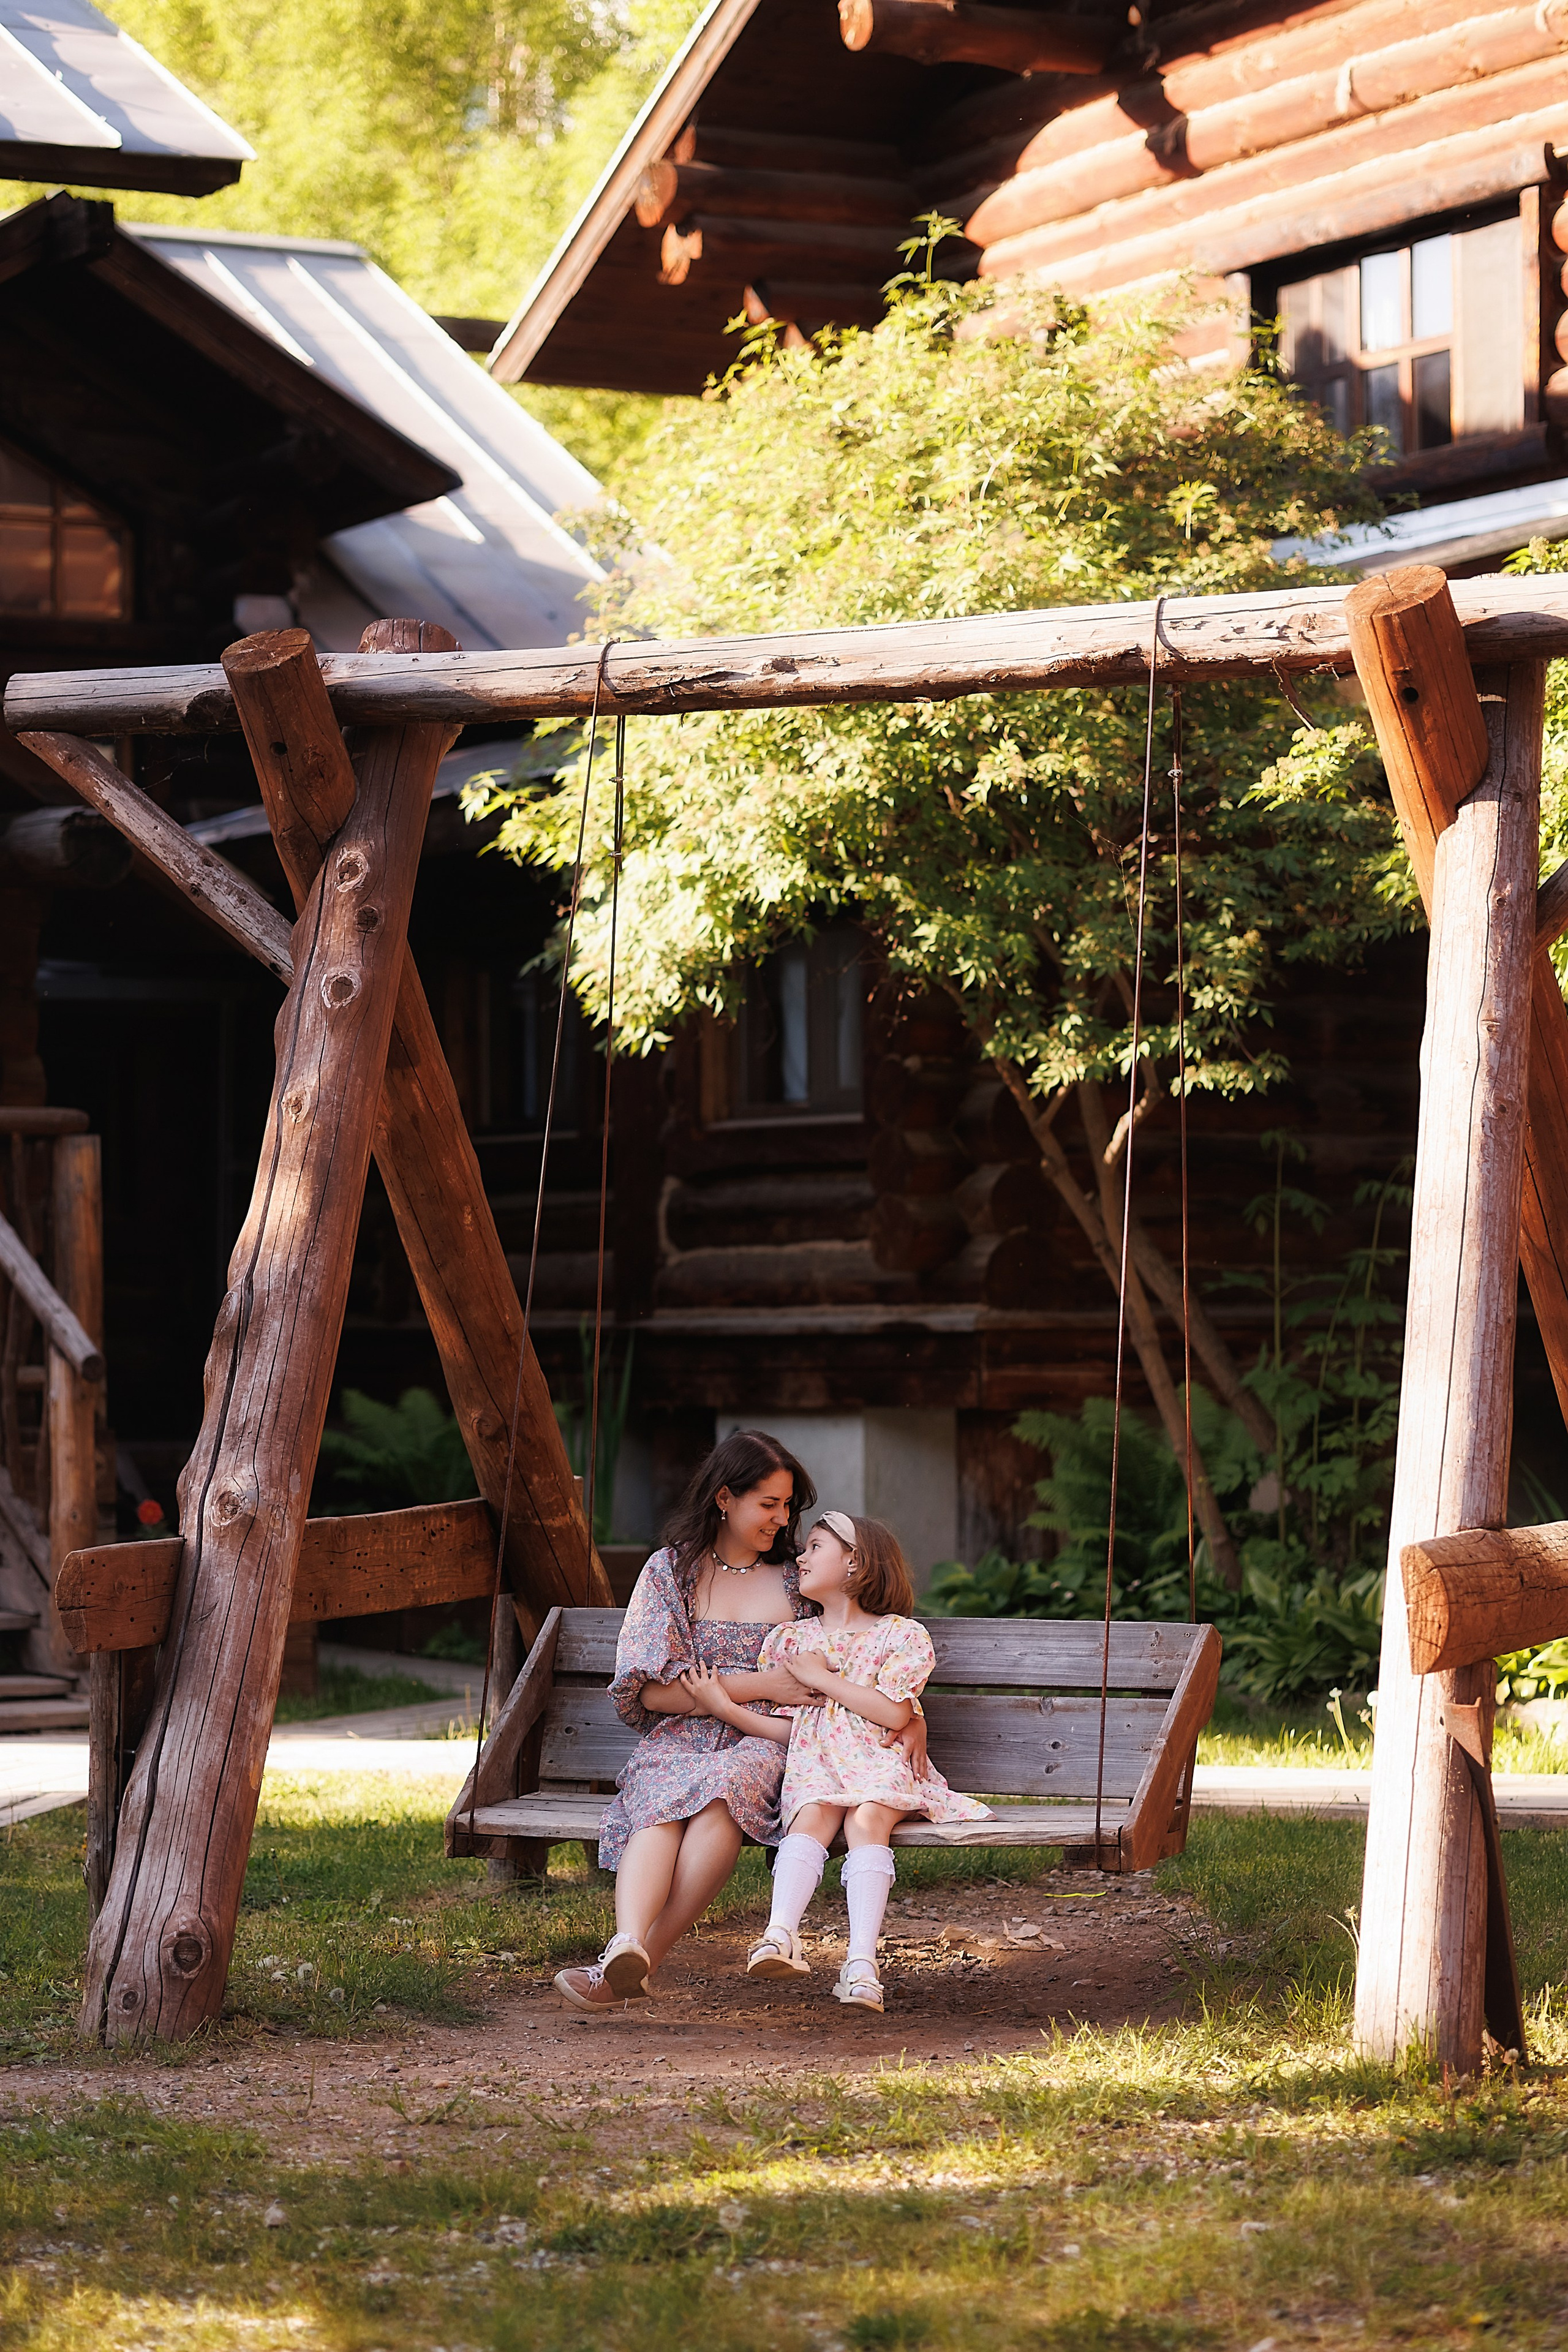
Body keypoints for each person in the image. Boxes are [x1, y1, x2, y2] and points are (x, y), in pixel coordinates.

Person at [553, 1434, 929, 2013]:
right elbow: (651, 1692)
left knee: (725, 1796)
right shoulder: (671, 1572)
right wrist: (758, 1685)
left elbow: (861, 1648)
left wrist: (914, 1719)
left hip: (773, 1738)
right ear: (725, 1498)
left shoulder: (795, 1581)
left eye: (787, 1507)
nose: (783, 1521)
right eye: (769, 1504)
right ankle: (625, 1944)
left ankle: (628, 1963)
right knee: (658, 1802)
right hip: (682, 1736)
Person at [682, 1509, 989, 2015]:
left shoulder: (900, 1636)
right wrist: (725, 1708)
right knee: (811, 1816)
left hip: (881, 1763)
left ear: (856, 1562)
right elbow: (790, 1728)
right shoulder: (790, 1641)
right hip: (817, 1769)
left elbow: (892, 1711)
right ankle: (780, 1934)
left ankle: (862, 1963)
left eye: (816, 1547)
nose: (800, 1556)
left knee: (868, 1818)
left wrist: (824, 1680)